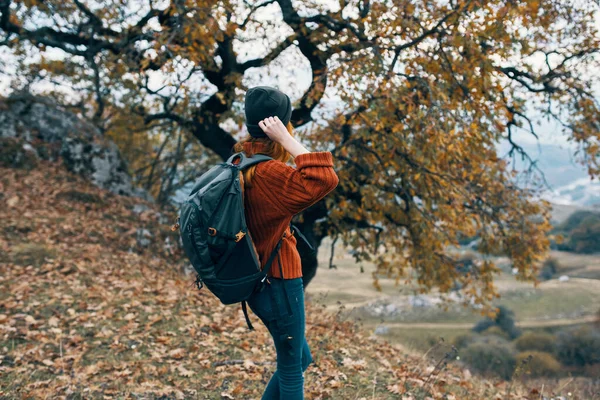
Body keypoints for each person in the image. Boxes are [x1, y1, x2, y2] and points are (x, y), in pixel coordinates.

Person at [232, 86, 339, 399]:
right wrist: (289, 141)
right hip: (278, 281)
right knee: (292, 370)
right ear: (281, 125)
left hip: (258, 280)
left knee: (300, 358)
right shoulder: (270, 173)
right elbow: (325, 179)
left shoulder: (239, 162)